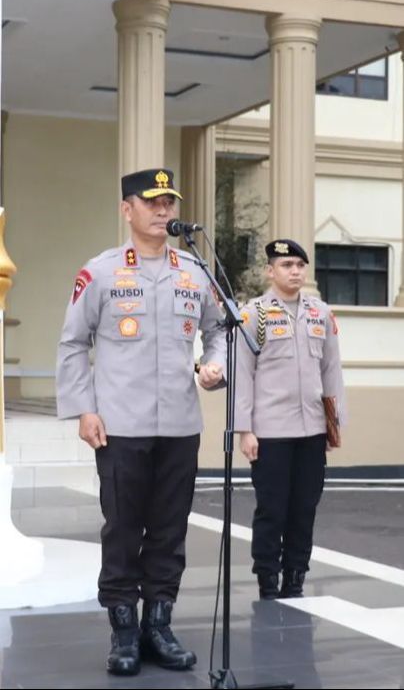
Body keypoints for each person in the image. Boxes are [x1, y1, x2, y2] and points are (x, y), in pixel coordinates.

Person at [56, 168, 226, 676]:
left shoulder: (195, 272)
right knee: (123, 529)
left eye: (169, 202)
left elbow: (220, 331)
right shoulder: (102, 272)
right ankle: (124, 633)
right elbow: (71, 343)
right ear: (127, 209)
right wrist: (84, 408)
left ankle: (159, 625)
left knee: (170, 532)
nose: (163, 211)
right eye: (151, 202)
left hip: (179, 423)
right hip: (121, 425)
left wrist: (216, 365)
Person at [234, 239, 345, 601]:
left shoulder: (320, 313)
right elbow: (243, 375)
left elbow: (331, 371)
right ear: (270, 270)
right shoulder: (254, 315)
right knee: (272, 510)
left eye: (299, 265)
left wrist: (333, 424)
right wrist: (244, 430)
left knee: (304, 508)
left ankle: (296, 575)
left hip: (312, 429)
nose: (295, 271)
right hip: (271, 432)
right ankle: (268, 577)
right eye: (286, 265)